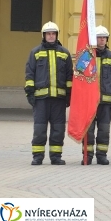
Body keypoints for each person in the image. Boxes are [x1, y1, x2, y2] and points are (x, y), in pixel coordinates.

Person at [25, 21, 72, 166]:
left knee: (58, 129)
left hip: (59, 98)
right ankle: (37, 156)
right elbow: (29, 74)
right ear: (44, 35)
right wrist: (30, 93)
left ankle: (56, 156)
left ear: (57, 35)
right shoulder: (35, 52)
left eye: (53, 34)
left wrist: (69, 94)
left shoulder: (64, 53)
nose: (51, 36)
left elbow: (69, 76)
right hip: (41, 99)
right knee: (39, 128)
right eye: (48, 34)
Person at [82, 26, 111, 165]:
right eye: (99, 37)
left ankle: (101, 155)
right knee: (89, 131)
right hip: (89, 102)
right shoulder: (86, 56)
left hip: (105, 102)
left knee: (104, 130)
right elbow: (79, 77)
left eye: (104, 38)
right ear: (95, 39)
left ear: (107, 40)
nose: (102, 40)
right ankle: (87, 156)